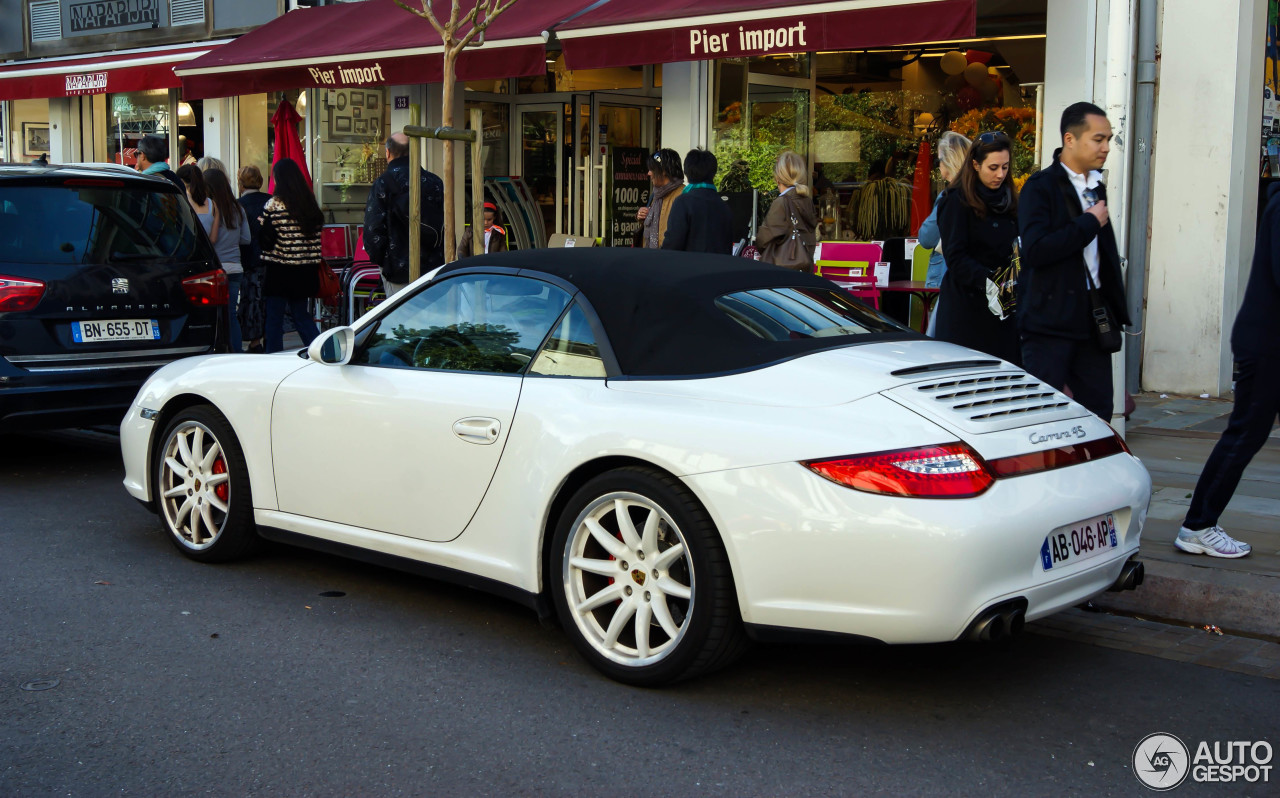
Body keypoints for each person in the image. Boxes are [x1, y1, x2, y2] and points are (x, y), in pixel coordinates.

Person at [1171, 185, 1280, 558]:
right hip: (1267, 345)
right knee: (1246, 434)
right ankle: (1197, 526)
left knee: (1246, 434)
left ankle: (1199, 523)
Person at [1017, 102, 1131, 421]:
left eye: (1108, 139)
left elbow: (1102, 257)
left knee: (1099, 413)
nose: (1106, 147)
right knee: (1042, 414)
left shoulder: (1096, 186)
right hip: (1049, 321)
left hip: (1092, 318)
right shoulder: (1040, 187)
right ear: (1070, 139)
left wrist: (1115, 307)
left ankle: (1093, 470)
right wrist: (1088, 223)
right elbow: (1036, 250)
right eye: (1098, 139)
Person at [934, 131, 1021, 365]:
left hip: (1004, 312)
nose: (1000, 174)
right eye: (993, 168)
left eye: (1005, 167)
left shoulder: (1010, 199)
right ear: (975, 164)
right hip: (967, 312)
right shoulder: (956, 201)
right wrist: (991, 281)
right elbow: (956, 257)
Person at [363, 132, 445, 296]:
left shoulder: (383, 183)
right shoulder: (435, 181)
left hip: (398, 269)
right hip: (434, 269)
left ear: (388, 152)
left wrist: (384, 262)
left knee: (401, 319)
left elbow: (373, 230)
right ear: (413, 152)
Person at [260, 158, 322, 353]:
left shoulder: (273, 205)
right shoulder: (309, 203)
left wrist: (261, 223)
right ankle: (320, 351)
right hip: (306, 269)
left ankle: (273, 356)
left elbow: (266, 240)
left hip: (279, 269)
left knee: (274, 318)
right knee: (301, 316)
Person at [917, 132, 971, 336]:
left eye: (939, 160)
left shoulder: (948, 197)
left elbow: (926, 238)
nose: (938, 166)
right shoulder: (980, 194)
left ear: (949, 161)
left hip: (946, 280)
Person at [203, 168, 251, 353]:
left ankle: (218, 352)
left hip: (215, 268)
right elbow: (246, 239)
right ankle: (237, 352)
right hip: (235, 267)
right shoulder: (238, 208)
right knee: (231, 314)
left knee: (214, 316)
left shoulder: (208, 208)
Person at [661, 149, 735, 254]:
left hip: (690, 268)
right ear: (713, 173)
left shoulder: (683, 203)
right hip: (720, 268)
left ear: (686, 173)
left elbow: (672, 244)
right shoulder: (724, 207)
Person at [756, 150, 818, 272]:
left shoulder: (781, 202)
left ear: (777, 178)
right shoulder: (807, 200)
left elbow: (763, 240)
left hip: (783, 272)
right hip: (806, 269)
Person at [238, 165, 271, 353]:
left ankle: (254, 341)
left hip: (247, 259)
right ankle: (269, 337)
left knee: (250, 300)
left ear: (241, 183)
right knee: (268, 301)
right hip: (269, 259)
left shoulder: (238, 204)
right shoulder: (271, 201)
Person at [635, 149, 684, 249]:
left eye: (652, 169)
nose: (649, 173)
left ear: (664, 171)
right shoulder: (656, 194)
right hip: (652, 257)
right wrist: (641, 216)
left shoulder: (683, 194)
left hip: (670, 259)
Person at [175, 164, 218, 240]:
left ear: (181, 181)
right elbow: (213, 239)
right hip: (203, 250)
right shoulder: (213, 204)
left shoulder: (179, 201)